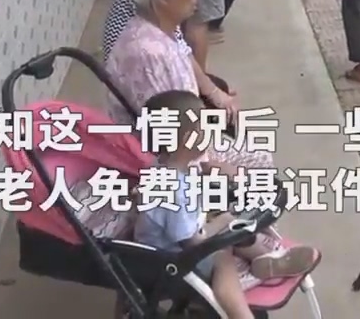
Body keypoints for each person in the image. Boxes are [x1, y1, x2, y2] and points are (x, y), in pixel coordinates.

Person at [134, 89, 318, 319]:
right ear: (188, 139)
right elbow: (192, 243)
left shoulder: (168, 167)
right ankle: (241, 313)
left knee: (232, 224)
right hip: (169, 259)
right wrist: (221, 226)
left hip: (180, 236)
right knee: (222, 256)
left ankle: (268, 260)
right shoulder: (172, 190)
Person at [104, 0, 270, 172]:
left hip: (189, 137)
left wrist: (215, 93)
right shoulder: (148, 56)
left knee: (250, 145)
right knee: (259, 159)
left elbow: (185, 55)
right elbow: (170, 143)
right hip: (166, 160)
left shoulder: (161, 26)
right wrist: (211, 167)